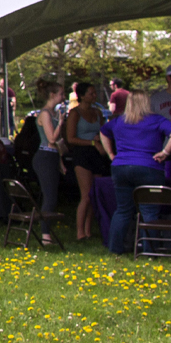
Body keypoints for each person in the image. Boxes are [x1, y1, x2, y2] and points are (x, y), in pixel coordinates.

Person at [99, 92, 171, 254]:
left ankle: (114, 249)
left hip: (121, 167)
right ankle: (149, 250)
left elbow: (103, 132)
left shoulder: (119, 121)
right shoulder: (156, 120)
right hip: (148, 167)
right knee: (149, 211)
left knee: (122, 210)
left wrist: (110, 154)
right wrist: (165, 152)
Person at [60, 82, 109, 242]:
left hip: (96, 154)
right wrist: (91, 142)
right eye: (91, 93)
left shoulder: (98, 113)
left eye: (95, 93)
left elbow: (103, 132)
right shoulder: (75, 113)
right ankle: (79, 231)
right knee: (86, 195)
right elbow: (70, 138)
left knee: (94, 194)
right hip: (82, 154)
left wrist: (99, 141)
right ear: (82, 96)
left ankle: (88, 230)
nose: (94, 96)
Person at [29, 79, 66, 247]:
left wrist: (60, 161)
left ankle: (47, 232)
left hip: (52, 156)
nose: (63, 97)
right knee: (49, 196)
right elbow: (52, 138)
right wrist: (61, 123)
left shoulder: (53, 113)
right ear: (52, 95)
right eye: (61, 94)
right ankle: (45, 235)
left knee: (53, 195)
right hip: (44, 156)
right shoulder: (45, 114)